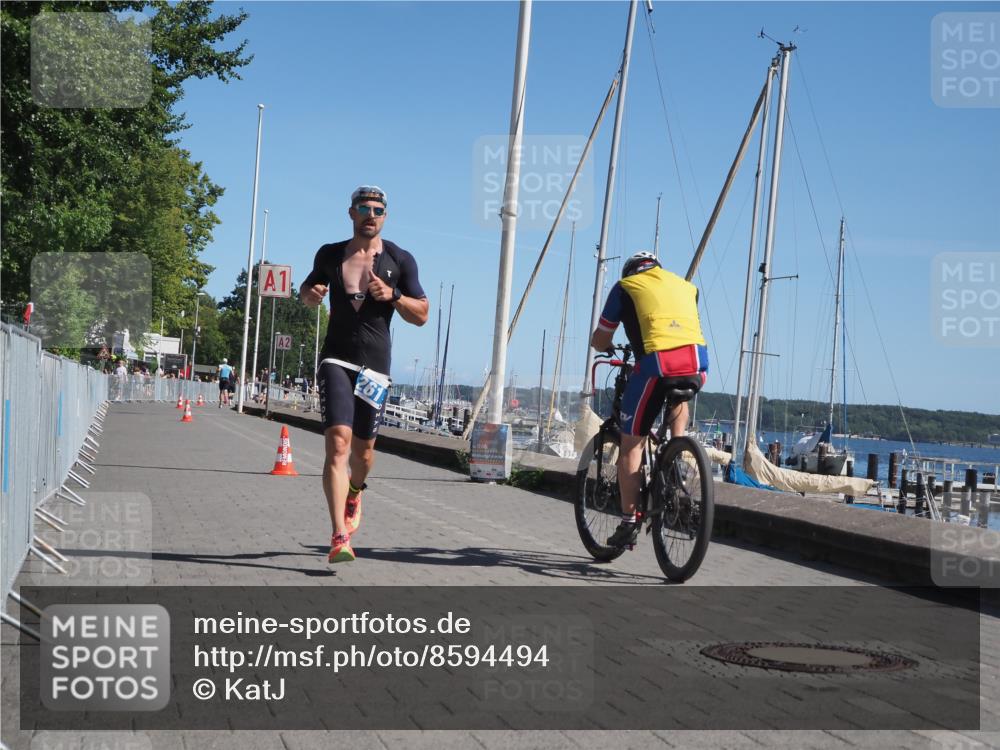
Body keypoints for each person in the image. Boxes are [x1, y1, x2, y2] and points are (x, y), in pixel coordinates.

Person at [300, 185, 428, 564]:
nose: (371, 214)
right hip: (336, 359)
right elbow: (307, 289)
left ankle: (356, 490)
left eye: (378, 209)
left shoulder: (400, 260)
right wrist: (311, 295)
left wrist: (393, 296)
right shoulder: (330, 253)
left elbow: (421, 314)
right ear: (351, 213)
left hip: (375, 365)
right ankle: (339, 535)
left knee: (364, 452)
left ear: (385, 216)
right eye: (364, 208)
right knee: (338, 443)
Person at [589, 251, 709, 549]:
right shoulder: (685, 286)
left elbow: (602, 339)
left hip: (657, 365)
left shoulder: (626, 287)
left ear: (631, 271)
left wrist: (601, 345)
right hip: (697, 364)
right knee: (678, 392)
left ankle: (629, 522)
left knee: (632, 442)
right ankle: (677, 452)